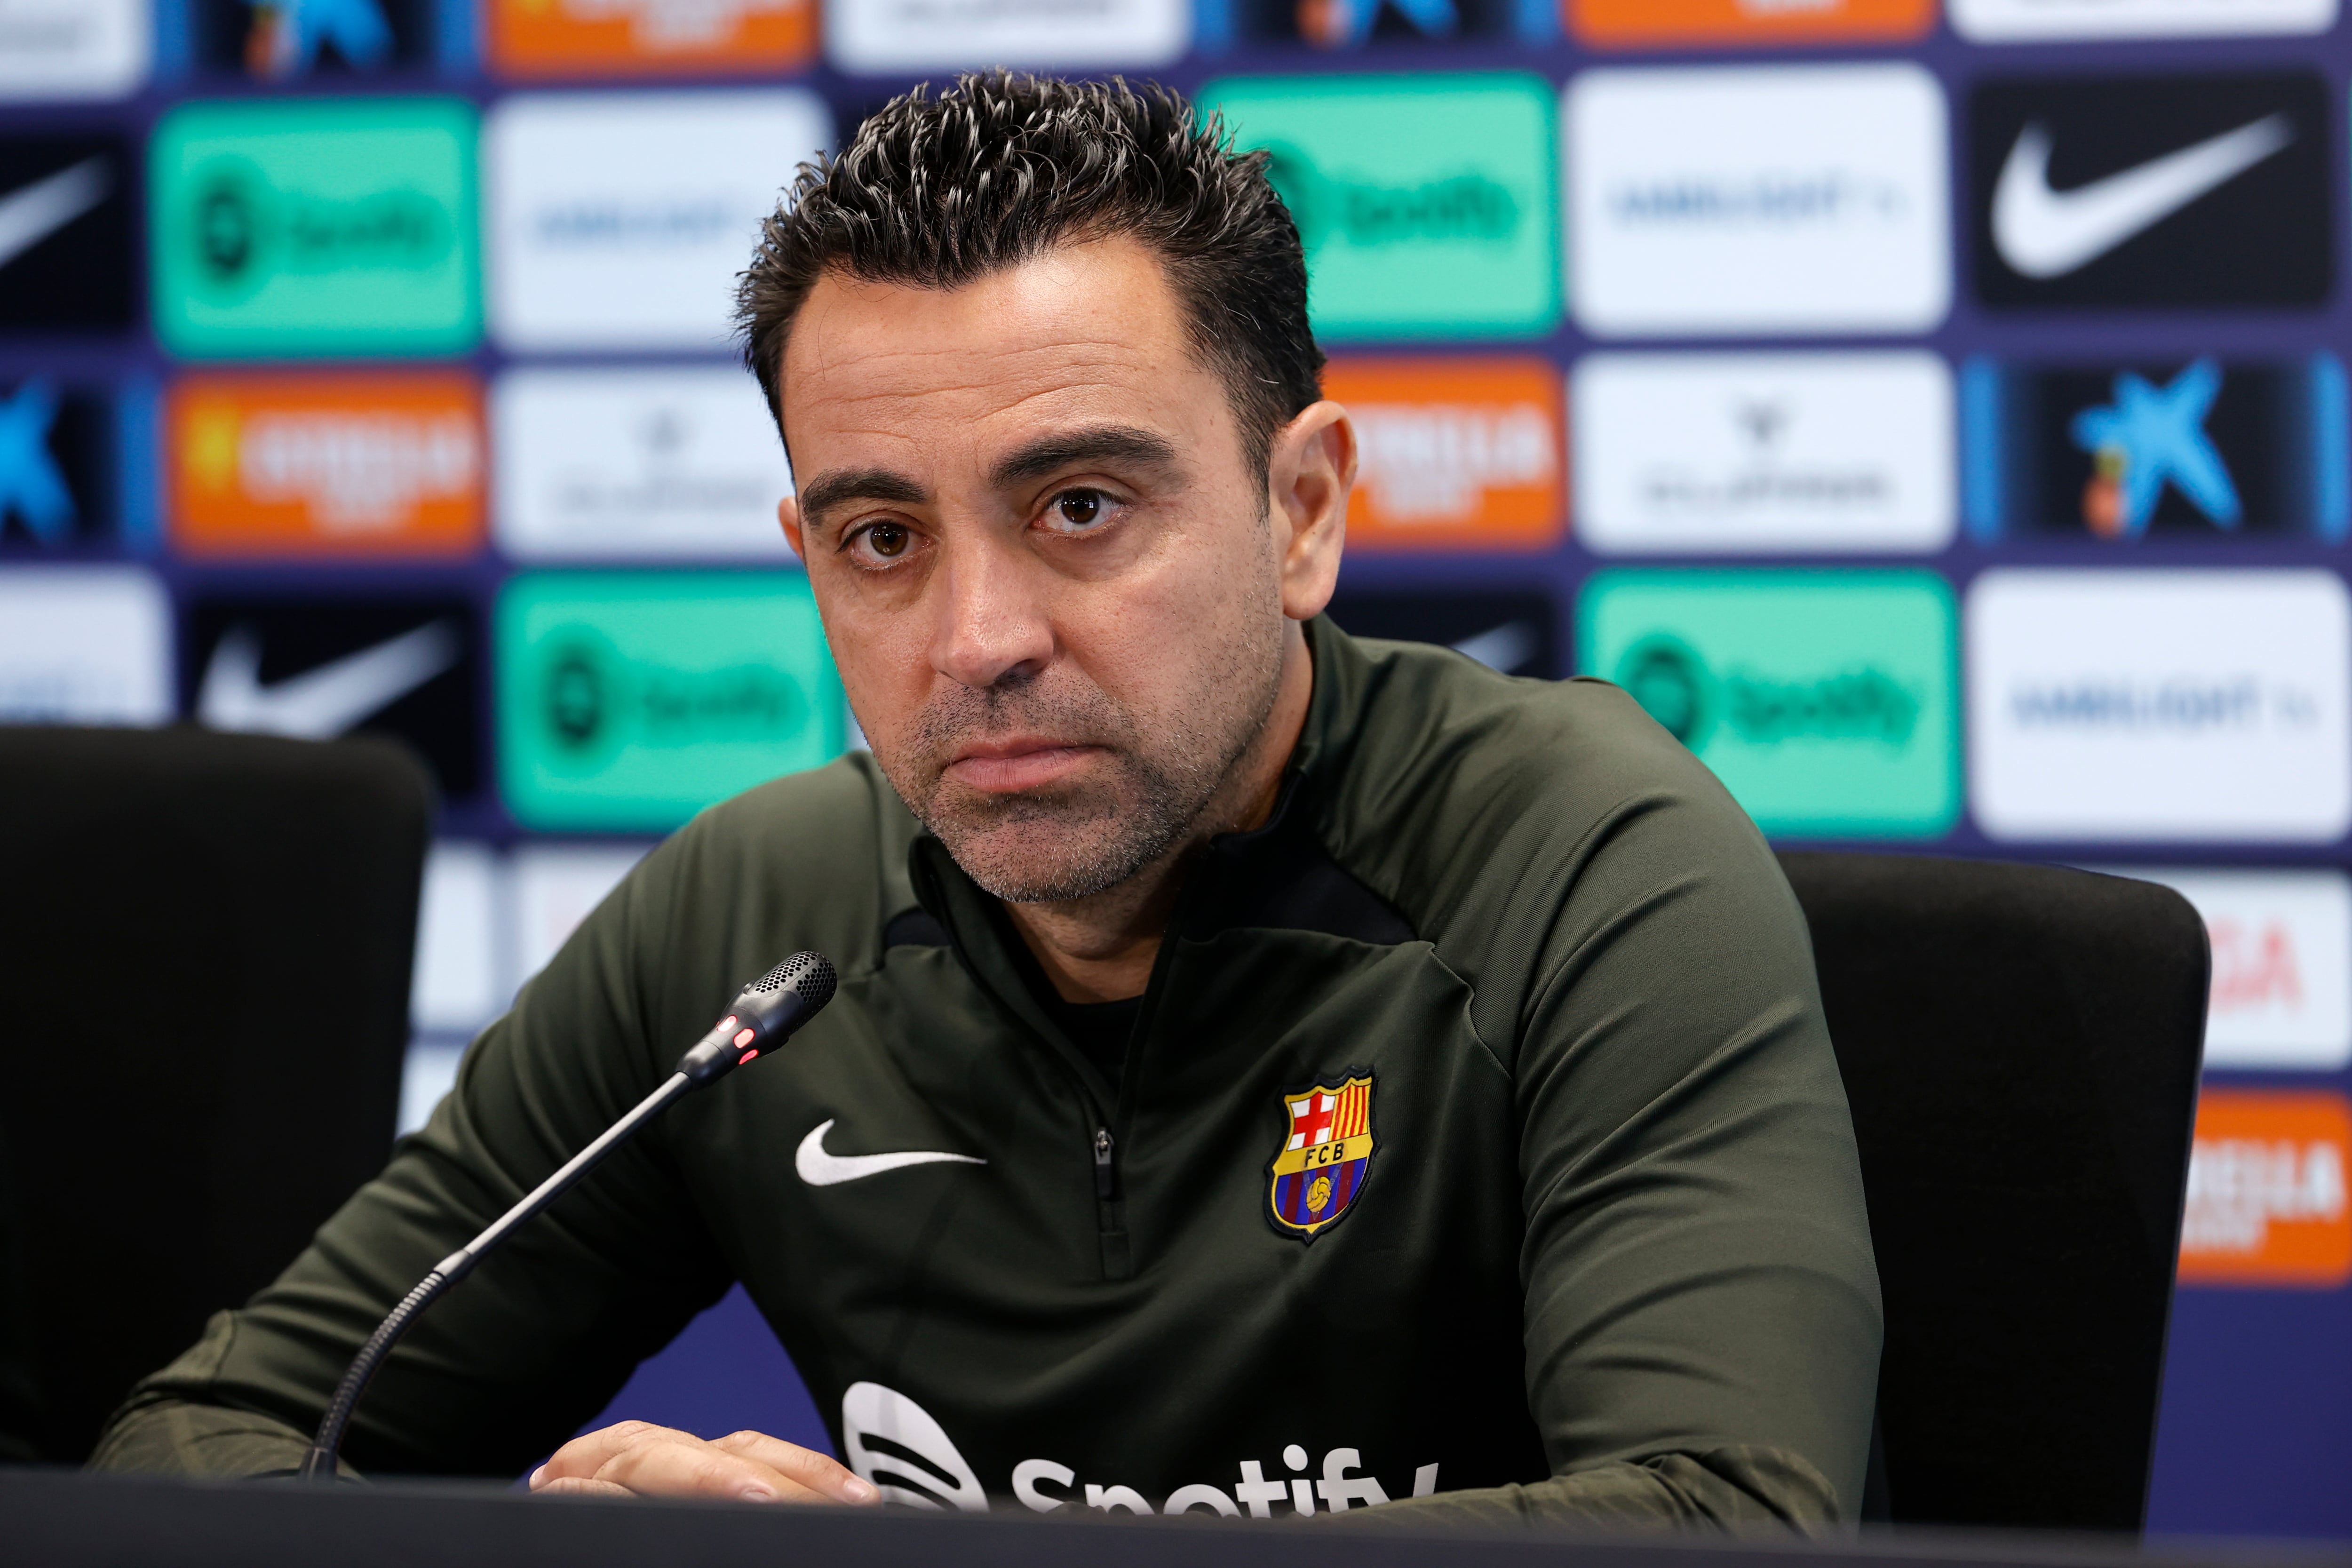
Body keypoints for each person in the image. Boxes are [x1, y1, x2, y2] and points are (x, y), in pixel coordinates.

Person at [92, 73, 1880, 1529]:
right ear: (805, 558)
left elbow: (1724, 1521)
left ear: (1304, 512)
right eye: (883, 539)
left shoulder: (1579, 861)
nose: (977, 642)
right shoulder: (751, 931)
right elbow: (215, 1447)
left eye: (1083, 507)